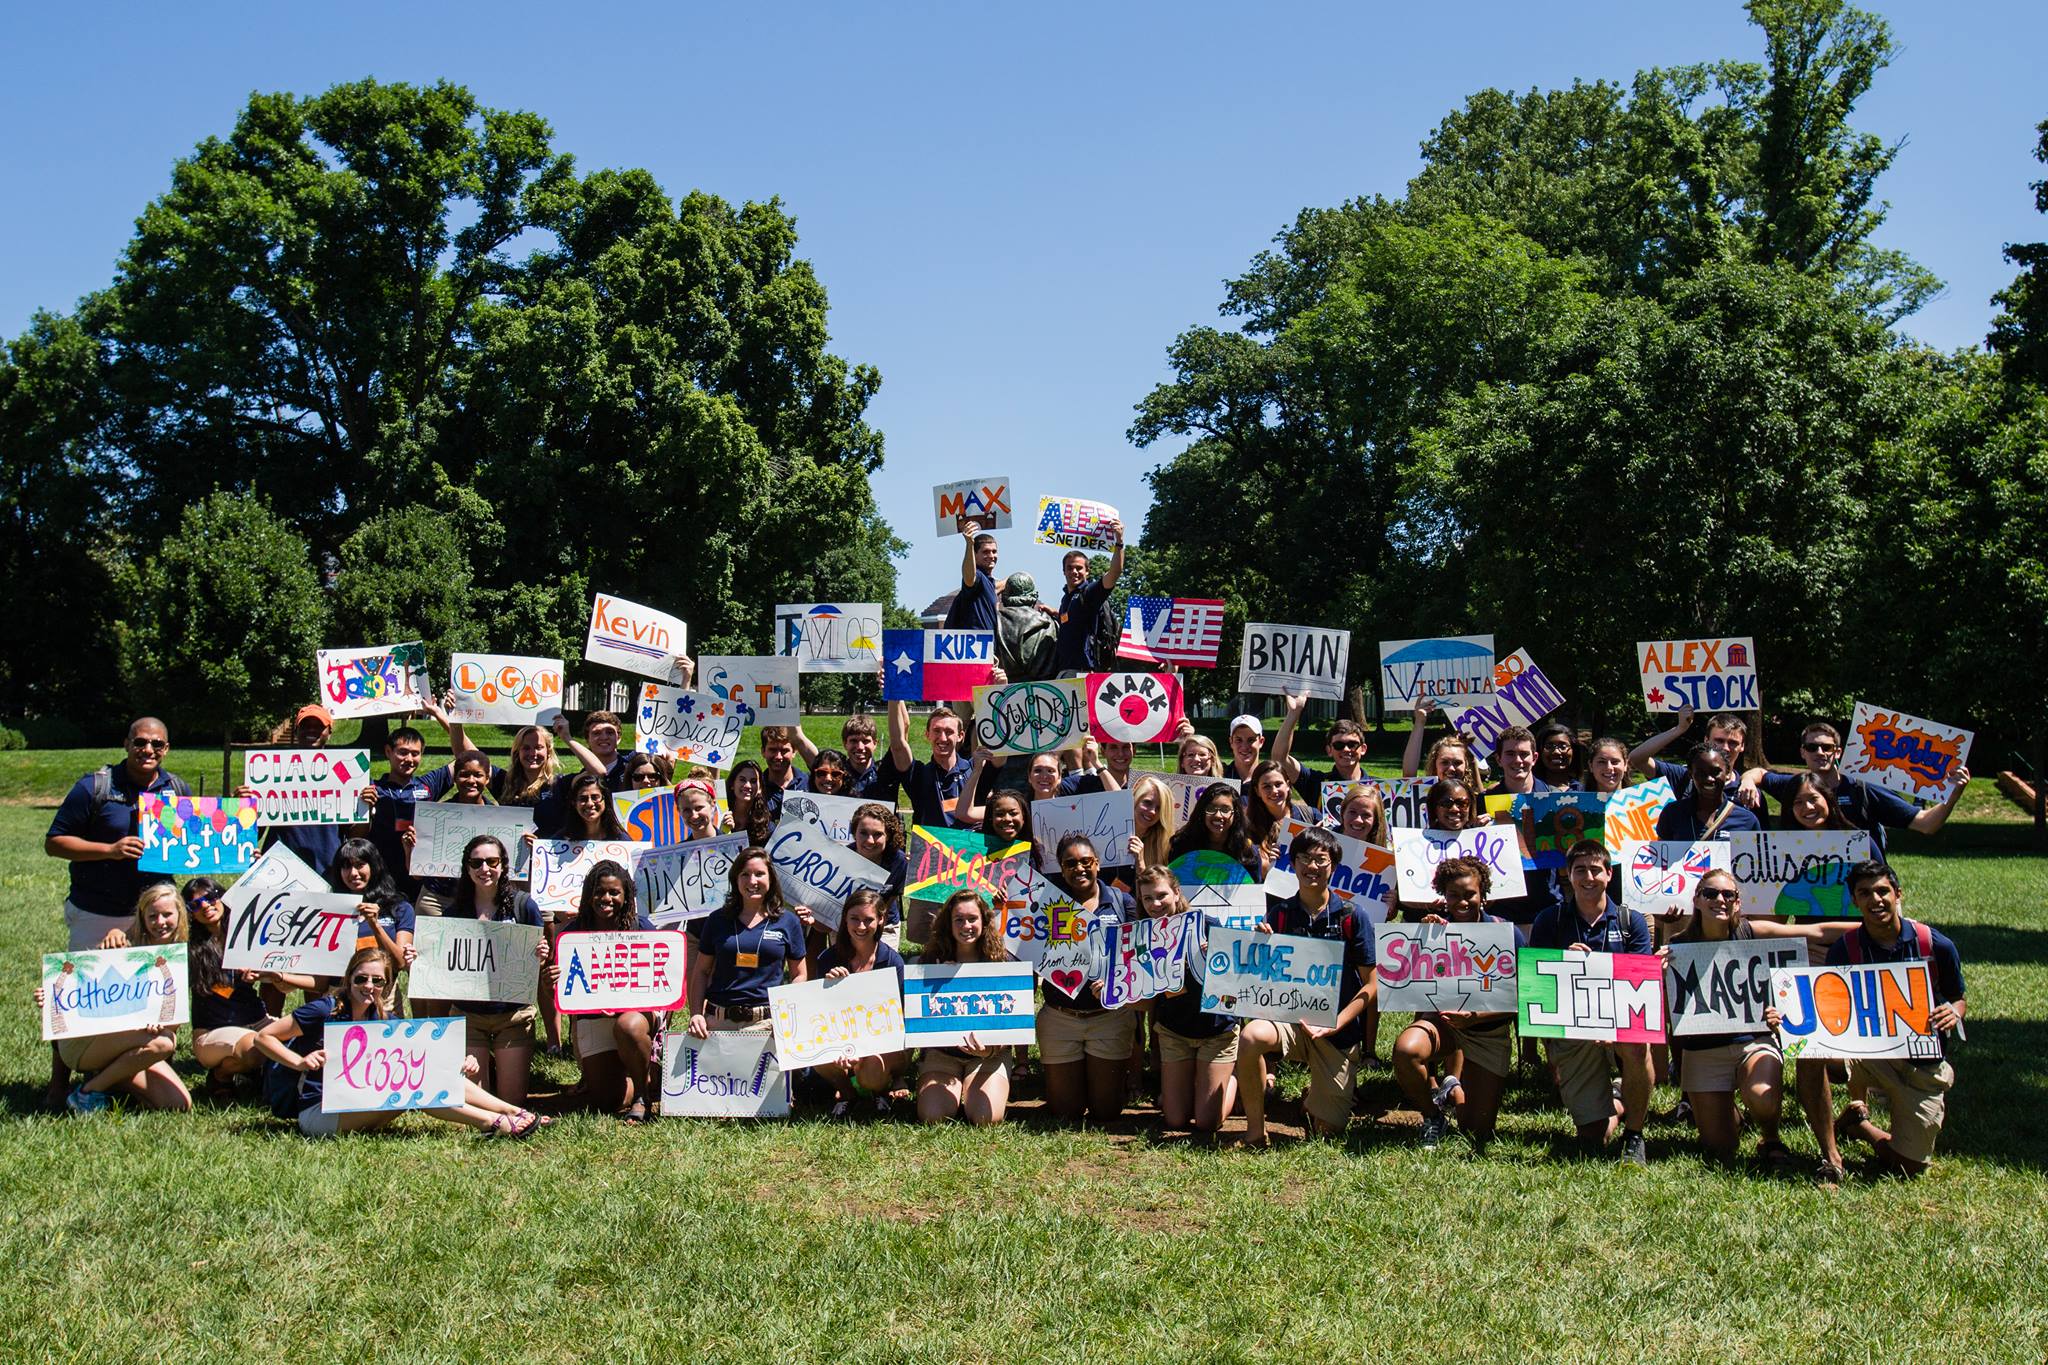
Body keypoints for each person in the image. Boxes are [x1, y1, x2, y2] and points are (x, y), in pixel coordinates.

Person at [1773, 861, 1966, 1182]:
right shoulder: (1845, 949)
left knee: (1910, 1167)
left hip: (1921, 1061)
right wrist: (1789, 1016)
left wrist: (1954, 1011)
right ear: (1855, 900)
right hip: (1866, 1054)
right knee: (1809, 1051)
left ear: (1897, 894)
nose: (1875, 900)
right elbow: (1824, 1008)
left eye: (1882, 891)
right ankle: (1831, 1156)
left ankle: (1858, 1126)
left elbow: (1958, 996)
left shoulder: (1935, 944)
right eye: (1865, 893)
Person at [42, 716, 191, 1106]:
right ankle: (59, 1083)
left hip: (155, 916)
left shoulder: (176, 790)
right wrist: (108, 850)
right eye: (141, 742)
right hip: (98, 910)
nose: (148, 751)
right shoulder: (95, 787)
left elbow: (203, 842)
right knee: (78, 996)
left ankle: (114, 1074)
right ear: (126, 743)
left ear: (167, 748)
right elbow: (54, 842)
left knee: (147, 998)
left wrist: (246, 817)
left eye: (157, 745)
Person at [251, 946, 545, 1137]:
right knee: (414, 1088)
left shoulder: (386, 1021)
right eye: (361, 979)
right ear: (348, 978)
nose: (369, 986)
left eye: (377, 981)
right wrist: (299, 1061)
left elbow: (428, 1064)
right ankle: (490, 1123)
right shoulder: (324, 1009)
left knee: (421, 1079)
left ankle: (510, 1111)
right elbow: (264, 1037)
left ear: (387, 984)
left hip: (362, 1104)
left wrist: (460, 1064)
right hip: (321, 1112)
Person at [1660, 868, 1845, 1165]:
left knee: (1762, 1095)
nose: (1719, 899)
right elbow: (1667, 1011)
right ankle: (1731, 1114)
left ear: (1737, 902)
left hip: (1753, 1040)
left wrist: (1872, 926)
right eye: (1710, 893)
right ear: (1696, 900)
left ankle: (1770, 1136)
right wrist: (1662, 973)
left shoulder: (1753, 931)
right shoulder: (1679, 946)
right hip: (1703, 1051)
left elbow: (1819, 932)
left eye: (1727, 895)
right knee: (1720, 1147)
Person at [1236, 826, 1377, 1145]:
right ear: (1293, 863)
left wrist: (1338, 1023)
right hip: (1292, 1022)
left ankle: (1314, 1099)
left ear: (1334, 867)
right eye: (1304, 858)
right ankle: (1255, 1132)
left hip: (1337, 1032)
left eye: (1320, 859)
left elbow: (1372, 984)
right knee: (1250, 1035)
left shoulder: (1353, 916)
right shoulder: (1281, 914)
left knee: (1326, 1132)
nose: (1312, 866)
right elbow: (1262, 976)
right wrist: (1260, 946)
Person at [1528, 841, 1654, 1164]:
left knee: (1638, 1044)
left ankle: (1635, 1136)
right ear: (1567, 875)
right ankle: (1617, 1100)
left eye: (1596, 869)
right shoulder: (1548, 920)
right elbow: (1537, 990)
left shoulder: (1631, 921)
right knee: (1593, 1138)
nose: (1588, 877)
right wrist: (1562, 963)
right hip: (1572, 1029)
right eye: (1580, 870)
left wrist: (1611, 1023)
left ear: (1609, 874)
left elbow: (1640, 983)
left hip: (1620, 1022)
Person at [1390, 857, 1522, 1150]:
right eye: (1453, 895)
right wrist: (1422, 940)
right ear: (1443, 896)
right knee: (1406, 1049)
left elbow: (1524, 997)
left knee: (1475, 1128)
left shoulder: (1507, 933)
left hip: (1488, 1031)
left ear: (1483, 894)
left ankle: (1454, 1090)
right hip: (1445, 1023)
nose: (1462, 902)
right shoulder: (1435, 930)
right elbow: (1408, 981)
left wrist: (1476, 1016)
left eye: (1469, 894)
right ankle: (1432, 1116)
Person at [37, 882, 194, 1115]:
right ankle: (87, 1094)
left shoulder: (182, 956)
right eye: (152, 916)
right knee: (164, 1042)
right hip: (86, 1043)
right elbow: (80, 989)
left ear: (180, 914)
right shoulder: (122, 943)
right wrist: (49, 996)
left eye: (167, 914)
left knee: (179, 1105)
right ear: (142, 917)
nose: (160, 922)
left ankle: (106, 1079)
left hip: (136, 1043)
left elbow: (172, 1023)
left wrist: (158, 1023)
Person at [1738, 721, 1971, 859]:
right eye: (1812, 747)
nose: (1820, 752)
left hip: (1862, 888)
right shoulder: (1794, 786)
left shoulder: (1864, 790)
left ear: (1837, 752)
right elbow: (1759, 773)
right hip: (1814, 890)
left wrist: (1953, 794)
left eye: (1827, 747)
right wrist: (1747, 780)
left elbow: (1926, 824)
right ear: (1802, 752)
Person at [1036, 834, 1138, 1124]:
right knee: (1065, 1113)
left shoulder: (1122, 902)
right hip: (1061, 1017)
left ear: (1098, 863)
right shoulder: (1046, 902)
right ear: (1061, 868)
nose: (1079, 869)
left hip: (1108, 1016)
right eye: (1070, 863)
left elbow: (1140, 957)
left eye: (1086, 862)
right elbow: (1021, 939)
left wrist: (1116, 980)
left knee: (1106, 1113)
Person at [447, 834, 551, 1105]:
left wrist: (540, 955)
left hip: (512, 1014)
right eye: (476, 862)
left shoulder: (524, 905)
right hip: (468, 1014)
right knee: (476, 1104)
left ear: (503, 865)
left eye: (492, 861)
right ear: (467, 868)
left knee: (511, 1103)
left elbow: (535, 961)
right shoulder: (454, 913)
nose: (484, 869)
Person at [1137, 867, 1237, 1136]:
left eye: (1161, 896)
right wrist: (1112, 994)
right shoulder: (1141, 936)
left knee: (1206, 1123)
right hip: (1174, 1032)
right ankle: (1197, 1088)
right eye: (1147, 898)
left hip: (1217, 1032)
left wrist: (1218, 956)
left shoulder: (1207, 924)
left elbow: (1238, 977)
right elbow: (1143, 1000)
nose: (1155, 904)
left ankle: (1231, 1082)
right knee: (1175, 1120)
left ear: (1177, 893)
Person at [559, 860, 658, 1121]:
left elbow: (663, 982)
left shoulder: (642, 928)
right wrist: (551, 982)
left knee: (628, 1026)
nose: (606, 898)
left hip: (637, 1014)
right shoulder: (572, 932)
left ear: (625, 896)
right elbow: (561, 992)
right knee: (605, 1101)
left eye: (614, 892)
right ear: (588, 894)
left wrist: (629, 1005)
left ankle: (642, 1095)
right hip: (593, 1016)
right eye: (599, 891)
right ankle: (646, 1076)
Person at [914, 889, 1014, 1126]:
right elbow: (920, 1018)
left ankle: (974, 1087)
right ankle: (956, 1088)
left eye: (972, 919)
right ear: (948, 923)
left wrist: (989, 1050)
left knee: (985, 1118)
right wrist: (937, 981)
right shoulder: (931, 961)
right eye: (958, 919)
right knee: (933, 1116)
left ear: (984, 921)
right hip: (943, 1054)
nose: (966, 925)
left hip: (989, 1055)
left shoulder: (1002, 962)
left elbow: (1011, 1020)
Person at [685, 847, 809, 1036]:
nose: (752, 881)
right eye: (745, 874)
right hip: (718, 1022)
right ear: (736, 879)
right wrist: (696, 1014)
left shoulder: (788, 922)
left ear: (771, 879)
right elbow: (701, 971)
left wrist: (785, 1016)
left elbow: (799, 975)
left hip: (768, 1024)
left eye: (760, 874)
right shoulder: (717, 920)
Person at [811, 890, 908, 1118]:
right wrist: (828, 986)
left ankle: (880, 1091)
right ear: (845, 919)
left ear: (881, 920)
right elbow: (817, 1012)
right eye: (855, 918)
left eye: (868, 920)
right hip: (839, 1034)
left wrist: (863, 1050)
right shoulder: (827, 958)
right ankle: (846, 1093)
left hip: (882, 1042)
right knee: (818, 1056)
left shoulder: (892, 961)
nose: (861, 926)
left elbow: (898, 1019)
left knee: (870, 1071)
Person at [1630, 705, 1758, 804]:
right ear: (1706, 740)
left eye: (1733, 743)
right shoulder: (1684, 777)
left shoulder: (1748, 791)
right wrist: (1680, 729)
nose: (1725, 748)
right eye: (1719, 741)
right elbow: (1637, 758)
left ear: (1742, 746)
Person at [1270, 693, 1369, 811]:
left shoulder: (1380, 787)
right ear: (1329, 750)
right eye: (1339, 745)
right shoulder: (1316, 783)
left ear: (1363, 749)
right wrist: (1293, 714)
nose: (1346, 749)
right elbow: (1279, 759)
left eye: (1352, 744)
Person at [1045, 524, 1124, 673]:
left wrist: (1119, 542)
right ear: (1063, 571)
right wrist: (1056, 613)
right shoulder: (1066, 599)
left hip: (1083, 671)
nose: (1074, 572)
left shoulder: (1089, 593)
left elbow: (1115, 573)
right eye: (1069, 568)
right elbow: (1072, 620)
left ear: (1087, 571)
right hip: (1065, 670)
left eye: (1079, 568)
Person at [884, 701, 974, 829]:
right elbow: (898, 745)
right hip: (928, 847)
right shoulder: (918, 774)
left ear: (960, 736)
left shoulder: (975, 769)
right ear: (927, 735)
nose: (942, 738)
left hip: (969, 847)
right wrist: (893, 697)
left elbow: (999, 750)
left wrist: (999, 689)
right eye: (936, 731)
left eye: (949, 732)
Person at [329, 837, 417, 968]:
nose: (353, 873)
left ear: (374, 866)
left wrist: (375, 925)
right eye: (346, 866)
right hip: (338, 987)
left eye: (359, 865)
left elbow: (400, 962)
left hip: (380, 985)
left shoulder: (400, 908)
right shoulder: (328, 909)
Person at [1655, 743, 1762, 841]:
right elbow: (1661, 856)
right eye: (1701, 773)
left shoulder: (1746, 820)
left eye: (1716, 772)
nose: (1709, 779)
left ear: (1728, 773)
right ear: (1690, 774)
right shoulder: (1673, 813)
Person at [1164, 782, 1261, 879]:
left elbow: (1253, 890)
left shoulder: (1248, 852)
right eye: (1211, 808)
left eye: (1225, 809)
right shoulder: (1181, 845)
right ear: (1202, 812)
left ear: (1235, 814)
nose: (1218, 815)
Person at [793, 715, 891, 798]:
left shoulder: (885, 772)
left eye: (866, 741)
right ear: (845, 744)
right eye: (853, 741)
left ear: (875, 743)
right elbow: (797, 738)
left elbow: (899, 742)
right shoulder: (835, 772)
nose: (860, 747)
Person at [1244, 759, 1314, 876]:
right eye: (1266, 786)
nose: (1274, 791)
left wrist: (1320, 837)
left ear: (1288, 785)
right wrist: (1266, 864)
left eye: (1278, 784)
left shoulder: (1310, 815)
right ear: (1257, 791)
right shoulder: (1247, 825)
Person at [849, 802, 910, 934]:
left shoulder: (898, 861)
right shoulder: (842, 857)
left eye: (877, 834)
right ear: (854, 833)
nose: (870, 840)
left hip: (885, 923)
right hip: (847, 924)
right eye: (863, 833)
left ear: (888, 836)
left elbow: (889, 901)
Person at [943, 521, 1000, 632]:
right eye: (985, 552)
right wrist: (969, 544)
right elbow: (969, 578)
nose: (991, 556)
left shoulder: (988, 582)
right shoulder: (977, 577)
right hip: (973, 646)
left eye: (994, 551)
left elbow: (998, 586)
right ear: (974, 555)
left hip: (988, 646)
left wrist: (1020, 576)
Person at [1126, 775, 1176, 871]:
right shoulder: (1110, 831)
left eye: (1159, 808)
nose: (1152, 811)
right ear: (1134, 800)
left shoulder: (1165, 846)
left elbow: (1156, 886)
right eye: (1147, 803)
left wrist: (1140, 863)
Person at [758, 726, 808, 819]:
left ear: (794, 752)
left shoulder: (808, 783)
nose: (778, 757)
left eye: (784, 751)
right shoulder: (756, 787)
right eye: (773, 750)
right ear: (763, 752)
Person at [724, 761, 775, 846]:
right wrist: (724, 831)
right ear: (732, 784)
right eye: (742, 780)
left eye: (753, 781)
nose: (747, 785)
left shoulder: (767, 827)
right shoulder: (720, 815)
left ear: (760, 789)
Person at [1532, 720, 1579, 789]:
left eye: (1563, 747)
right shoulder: (1529, 788)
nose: (1556, 752)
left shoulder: (1584, 790)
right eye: (1549, 747)